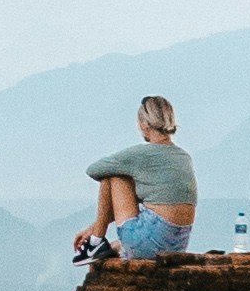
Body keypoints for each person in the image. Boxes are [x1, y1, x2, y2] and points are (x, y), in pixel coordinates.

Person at [71, 94, 196, 275]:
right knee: (116, 246)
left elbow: (94, 170)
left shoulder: (142, 154)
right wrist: (95, 225)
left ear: (144, 124)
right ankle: (101, 240)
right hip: (177, 246)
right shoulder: (184, 157)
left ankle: (95, 242)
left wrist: (128, 172)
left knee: (112, 174)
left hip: (151, 240)